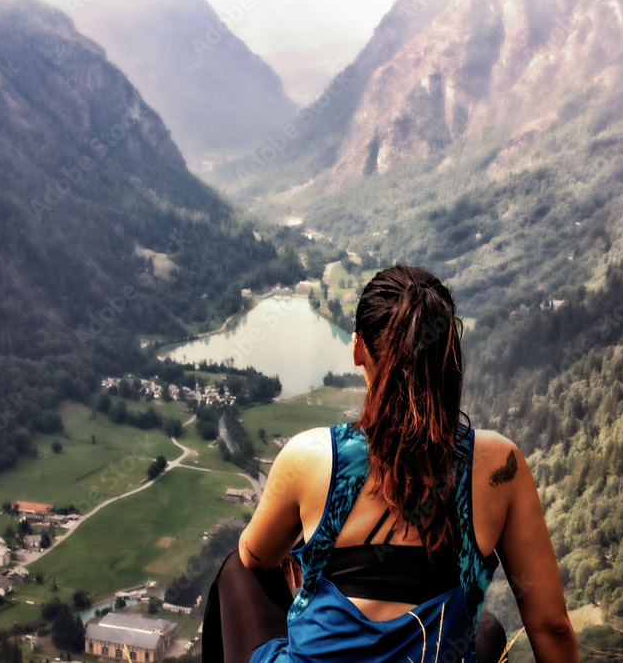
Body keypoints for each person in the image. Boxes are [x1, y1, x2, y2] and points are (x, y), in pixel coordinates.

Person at [204, 265, 579, 663]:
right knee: (485, 630)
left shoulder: (310, 457)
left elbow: (253, 556)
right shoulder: (500, 464)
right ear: (447, 354)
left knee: (236, 570)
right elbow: (551, 625)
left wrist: (295, 548)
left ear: (357, 349)